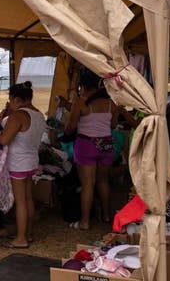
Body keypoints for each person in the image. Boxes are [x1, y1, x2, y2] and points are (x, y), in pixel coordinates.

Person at [62, 70, 117, 230]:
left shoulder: (81, 102)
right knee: (103, 181)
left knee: (88, 185)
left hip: (86, 145)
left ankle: (85, 221)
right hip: (106, 144)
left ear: (83, 86)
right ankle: (106, 215)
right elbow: (113, 125)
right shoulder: (110, 103)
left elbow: (70, 127)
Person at [0, 81, 45, 249]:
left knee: (20, 202)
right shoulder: (38, 114)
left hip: (18, 163)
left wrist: (7, 115)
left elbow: (4, 139)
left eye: (10, 99)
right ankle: (28, 233)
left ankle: (20, 238)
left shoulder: (18, 116)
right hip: (31, 160)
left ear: (16, 99)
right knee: (27, 198)